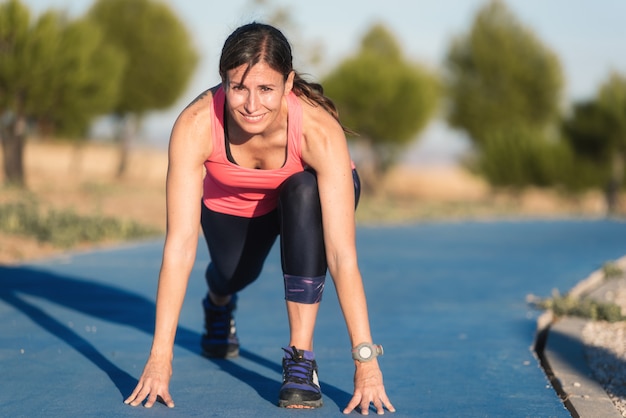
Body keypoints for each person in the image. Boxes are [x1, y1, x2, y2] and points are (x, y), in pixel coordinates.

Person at [124, 22, 395, 415]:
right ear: (224, 82)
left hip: (305, 201)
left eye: (266, 89)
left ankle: (300, 360)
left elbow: (340, 255)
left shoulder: (318, 130)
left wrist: (366, 360)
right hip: (232, 205)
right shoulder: (196, 125)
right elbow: (181, 245)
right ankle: (218, 302)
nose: (252, 105)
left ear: (287, 85)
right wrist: (159, 357)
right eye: (239, 88)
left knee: (303, 190)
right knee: (234, 274)